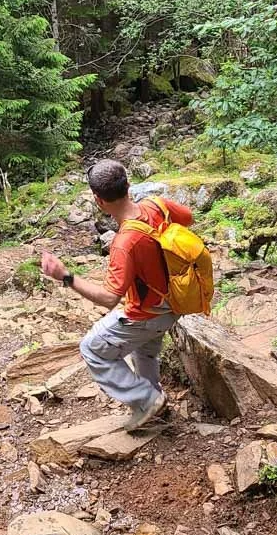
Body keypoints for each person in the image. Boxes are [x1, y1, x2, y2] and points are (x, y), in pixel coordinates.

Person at [41, 159, 195, 431]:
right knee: (144, 352)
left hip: (148, 313)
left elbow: (109, 298)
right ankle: (153, 405)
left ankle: (147, 400)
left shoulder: (124, 243)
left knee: (92, 348)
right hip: (175, 301)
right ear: (128, 185)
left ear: (99, 201)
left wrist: (65, 276)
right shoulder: (157, 205)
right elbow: (188, 218)